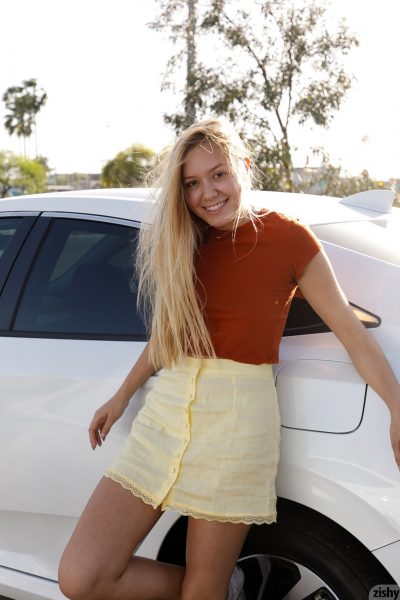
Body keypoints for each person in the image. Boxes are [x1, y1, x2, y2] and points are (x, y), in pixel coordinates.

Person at [58, 117, 400, 600]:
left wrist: (396, 406)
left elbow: (349, 329)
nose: (208, 193)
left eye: (218, 174)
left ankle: (216, 588)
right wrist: (121, 396)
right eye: (193, 183)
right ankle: (228, 588)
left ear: (243, 165)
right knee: (82, 576)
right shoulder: (185, 240)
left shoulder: (288, 238)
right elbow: (168, 335)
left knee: (202, 590)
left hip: (237, 424)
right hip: (165, 415)